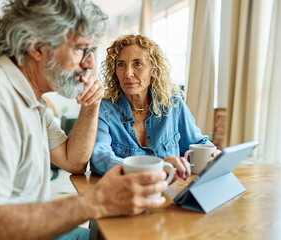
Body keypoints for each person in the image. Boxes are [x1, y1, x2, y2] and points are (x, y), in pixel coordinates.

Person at [0, 2, 170, 240]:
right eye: (81, 50)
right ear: (38, 47)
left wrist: (92, 105)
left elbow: (73, 161)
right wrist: (94, 202)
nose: (89, 64)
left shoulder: (32, 100)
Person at [90, 34, 220, 178]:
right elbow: (99, 157)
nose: (128, 73)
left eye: (137, 63)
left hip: (171, 191)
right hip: (125, 194)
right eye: (121, 64)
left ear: (153, 69)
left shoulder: (173, 104)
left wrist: (213, 154)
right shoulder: (104, 109)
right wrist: (154, 169)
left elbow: (197, 144)